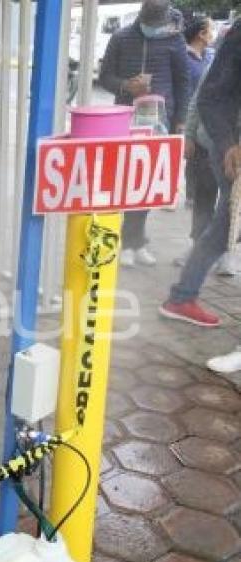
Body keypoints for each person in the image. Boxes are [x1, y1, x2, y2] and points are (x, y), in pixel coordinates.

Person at [160, 19, 241, 331]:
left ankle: (182, 294)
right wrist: (227, 143)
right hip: (231, 146)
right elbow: (207, 97)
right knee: (224, 225)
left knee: (225, 226)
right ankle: (182, 295)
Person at [99, 0, 190, 268]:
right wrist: (126, 86)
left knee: (150, 182)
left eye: (157, 25)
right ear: (140, 17)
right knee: (128, 179)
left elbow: (183, 83)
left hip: (160, 121)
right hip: (126, 119)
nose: (153, 29)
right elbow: (105, 77)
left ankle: (136, 241)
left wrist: (181, 121)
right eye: (149, 24)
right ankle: (129, 242)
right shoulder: (121, 37)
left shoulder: (175, 41)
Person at [177, 17, 219, 267]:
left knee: (230, 205)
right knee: (204, 199)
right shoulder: (217, 65)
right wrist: (190, 135)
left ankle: (225, 253)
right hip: (207, 144)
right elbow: (196, 101)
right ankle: (197, 247)